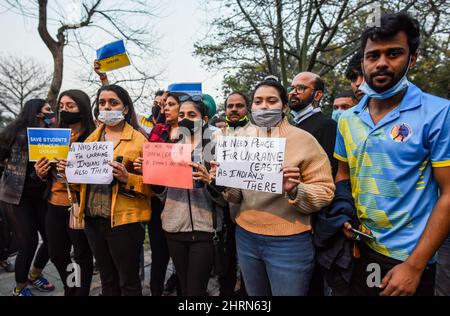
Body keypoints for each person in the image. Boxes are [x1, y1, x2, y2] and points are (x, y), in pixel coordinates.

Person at [334, 12, 450, 296]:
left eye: (394, 53)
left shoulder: (438, 112)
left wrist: (414, 266)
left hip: (410, 258)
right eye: (373, 56)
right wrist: (344, 216)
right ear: (363, 61)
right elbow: (343, 175)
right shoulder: (348, 119)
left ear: (412, 58)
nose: (382, 63)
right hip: (361, 250)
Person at [211, 78, 335, 296]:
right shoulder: (240, 140)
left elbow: (325, 191)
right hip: (246, 236)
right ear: (252, 108)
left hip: (289, 243)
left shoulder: (304, 140)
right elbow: (236, 195)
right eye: (258, 101)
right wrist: (223, 180)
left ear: (284, 106)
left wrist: (295, 190)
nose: (265, 106)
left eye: (271, 100)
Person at [57, 84, 152, 296]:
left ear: (125, 109)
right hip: (92, 219)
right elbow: (78, 186)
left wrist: (128, 178)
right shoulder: (90, 140)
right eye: (102, 103)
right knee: (107, 280)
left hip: (124, 222)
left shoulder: (140, 141)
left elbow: (153, 188)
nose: (107, 107)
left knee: (128, 281)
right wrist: (67, 174)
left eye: (113, 102)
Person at [137, 96, 226, 296]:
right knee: (183, 288)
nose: (185, 119)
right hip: (174, 228)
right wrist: (152, 177)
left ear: (204, 119)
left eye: (192, 115)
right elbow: (163, 196)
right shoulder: (171, 148)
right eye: (183, 114)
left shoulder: (215, 149)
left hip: (204, 230)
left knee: (195, 291)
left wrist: (209, 181)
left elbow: (224, 199)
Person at [34, 90, 96, 296]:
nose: (64, 109)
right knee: (57, 254)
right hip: (54, 204)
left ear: (83, 108)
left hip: (79, 206)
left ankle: (81, 292)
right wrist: (41, 173)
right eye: (61, 106)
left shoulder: (93, 139)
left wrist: (75, 175)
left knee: (82, 255)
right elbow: (45, 173)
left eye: (70, 106)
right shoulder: (53, 136)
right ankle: (71, 285)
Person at [0, 99, 56, 296]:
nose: (52, 113)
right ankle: (19, 287)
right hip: (16, 197)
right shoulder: (13, 133)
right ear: (36, 112)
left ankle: (35, 274)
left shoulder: (53, 134)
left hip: (41, 196)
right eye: (48, 109)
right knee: (29, 242)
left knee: (52, 239)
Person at [135, 91, 184, 296]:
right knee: (159, 254)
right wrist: (143, 166)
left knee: (182, 257)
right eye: (163, 104)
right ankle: (156, 291)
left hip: (183, 202)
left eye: (170, 104)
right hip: (158, 201)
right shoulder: (157, 129)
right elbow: (153, 160)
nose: (164, 108)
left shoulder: (193, 132)